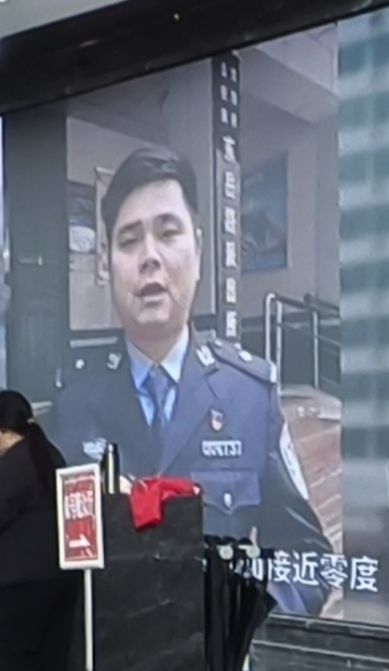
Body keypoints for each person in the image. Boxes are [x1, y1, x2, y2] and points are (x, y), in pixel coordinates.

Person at [46, 147, 330, 617]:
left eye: (167, 233)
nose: (149, 258)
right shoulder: (75, 406)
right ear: (107, 263)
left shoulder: (249, 396)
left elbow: (309, 559)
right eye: (129, 240)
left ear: (198, 251)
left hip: (224, 657)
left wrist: (239, 625)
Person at [0, 391, 81, 671]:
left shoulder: (12, 466)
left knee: (9, 651)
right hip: (61, 573)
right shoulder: (49, 455)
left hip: (20, 577)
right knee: (49, 653)